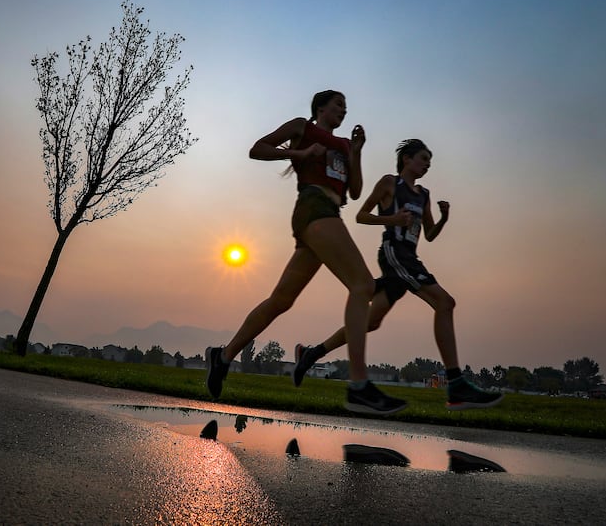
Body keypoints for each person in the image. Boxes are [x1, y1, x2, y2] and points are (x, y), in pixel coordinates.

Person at [206, 90, 406, 415]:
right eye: (338, 104)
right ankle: (359, 385)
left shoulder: (343, 145)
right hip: (312, 207)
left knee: (281, 301)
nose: (343, 109)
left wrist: (356, 152)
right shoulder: (303, 128)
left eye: (346, 105)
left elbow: (353, 192)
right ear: (321, 108)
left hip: (330, 213)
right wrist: (297, 155)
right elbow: (257, 149)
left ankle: (224, 356)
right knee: (362, 285)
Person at [292, 138, 503, 411]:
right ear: (407, 159)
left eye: (430, 161)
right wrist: (391, 220)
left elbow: (429, 234)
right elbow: (362, 215)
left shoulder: (423, 195)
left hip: (410, 257)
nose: (427, 165)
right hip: (395, 255)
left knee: (370, 322)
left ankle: (312, 353)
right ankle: (456, 384)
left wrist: (443, 219)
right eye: (423, 158)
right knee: (445, 302)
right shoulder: (390, 184)